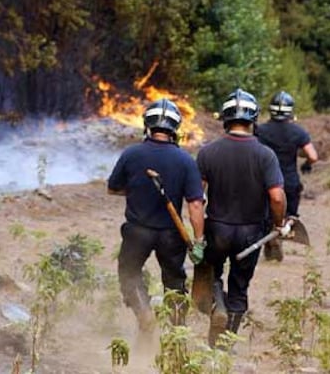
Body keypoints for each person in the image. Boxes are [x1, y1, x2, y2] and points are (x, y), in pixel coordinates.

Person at [197, 88, 287, 347]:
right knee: (240, 287)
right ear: (254, 118)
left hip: (217, 229)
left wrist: (199, 234)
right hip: (251, 233)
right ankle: (223, 345)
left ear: (225, 118)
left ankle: (218, 305)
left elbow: (196, 198)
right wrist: (278, 225)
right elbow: (277, 197)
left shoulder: (208, 152)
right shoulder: (265, 155)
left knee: (211, 274)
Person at [107, 98, 205, 332]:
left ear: (147, 125)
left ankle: (143, 312)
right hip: (171, 234)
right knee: (174, 281)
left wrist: (136, 189)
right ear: (175, 128)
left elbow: (113, 188)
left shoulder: (132, 154)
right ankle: (177, 332)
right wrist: (199, 240)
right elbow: (195, 205)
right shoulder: (185, 161)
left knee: (129, 272)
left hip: (137, 231)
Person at [257, 90, 318, 261]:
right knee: (290, 214)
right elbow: (313, 156)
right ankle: (283, 229)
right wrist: (306, 164)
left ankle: (271, 235)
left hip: (265, 181)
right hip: (289, 182)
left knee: (266, 214)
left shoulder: (260, 131)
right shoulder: (298, 132)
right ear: (291, 111)